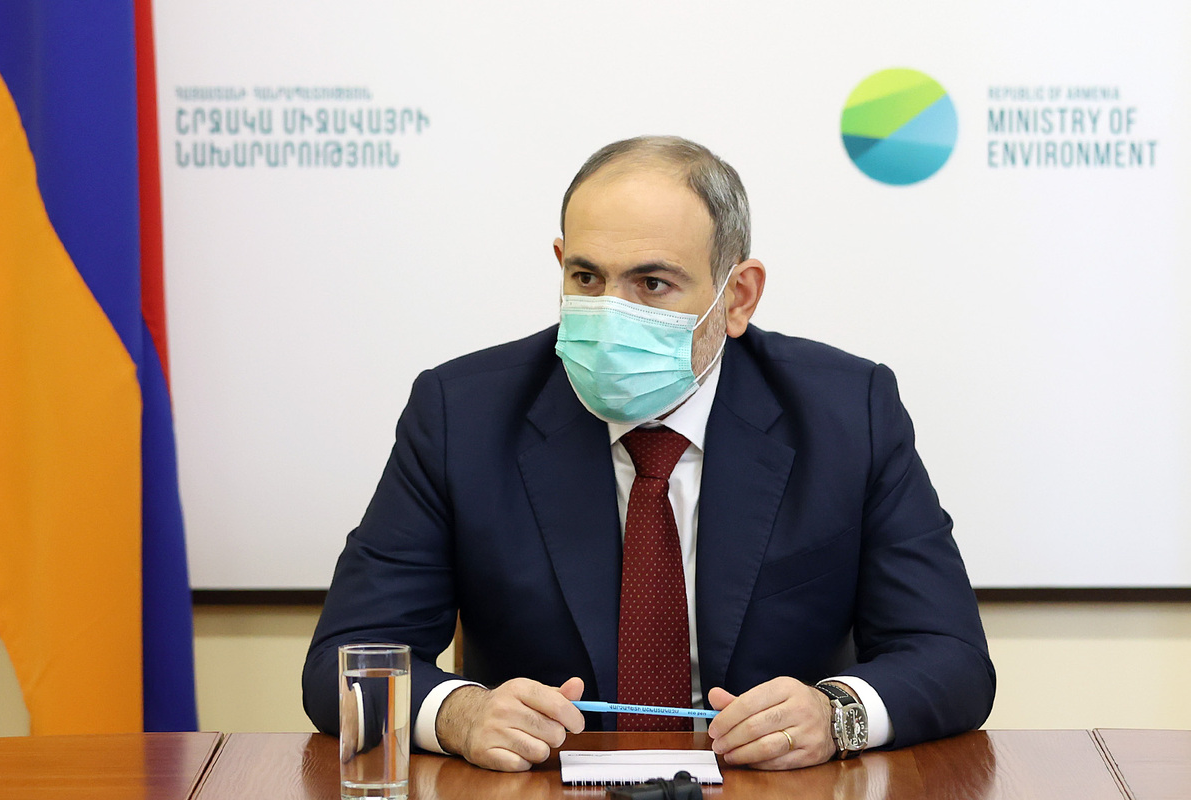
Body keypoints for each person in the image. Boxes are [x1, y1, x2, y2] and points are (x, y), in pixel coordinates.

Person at [303, 135, 994, 772]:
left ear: (738, 297)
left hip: (766, 785)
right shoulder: (462, 415)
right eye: (586, 278)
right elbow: (344, 660)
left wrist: (836, 714)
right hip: (544, 785)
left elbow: (951, 656)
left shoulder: (847, 413)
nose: (610, 313)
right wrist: (459, 714)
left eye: (652, 284)